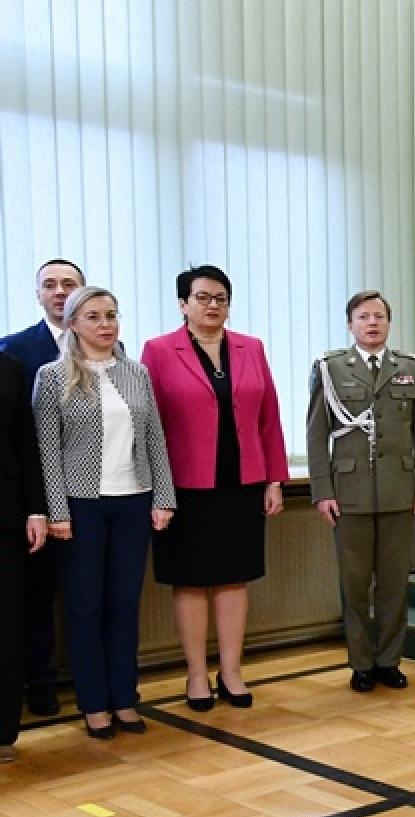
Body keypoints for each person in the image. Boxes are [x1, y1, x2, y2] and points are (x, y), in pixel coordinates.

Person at [142, 265, 290, 711]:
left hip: (241, 482)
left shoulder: (251, 347)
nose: (212, 305)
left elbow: (269, 417)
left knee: (233, 580)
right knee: (189, 583)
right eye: (202, 297)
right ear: (182, 303)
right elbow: (150, 425)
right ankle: (195, 676)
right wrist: (157, 489)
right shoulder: (158, 350)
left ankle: (231, 671)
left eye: (220, 297)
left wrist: (275, 479)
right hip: (183, 486)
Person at [34, 287, 176, 739]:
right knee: (84, 607)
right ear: (73, 323)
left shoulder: (137, 374)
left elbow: (155, 437)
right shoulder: (52, 376)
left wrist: (164, 497)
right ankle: (94, 704)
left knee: (124, 605)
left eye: (111, 315)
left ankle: (124, 699)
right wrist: (57, 510)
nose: (105, 324)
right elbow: (48, 451)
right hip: (80, 506)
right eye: (93, 316)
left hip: (134, 500)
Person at [308, 291, 415, 691]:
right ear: (350, 324)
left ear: (389, 323)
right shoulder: (330, 369)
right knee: (355, 582)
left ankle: (389, 660)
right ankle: (361, 662)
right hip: (349, 493)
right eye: (363, 317)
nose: (372, 323)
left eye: (379, 316)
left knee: (395, 583)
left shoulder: (410, 369)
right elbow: (316, 435)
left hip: (400, 491)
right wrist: (321, 491)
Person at [0, 259, 85, 717]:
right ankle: (39, 682)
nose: (59, 292)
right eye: (49, 285)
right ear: (37, 295)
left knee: (81, 591)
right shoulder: (13, 349)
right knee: (32, 595)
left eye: (68, 284)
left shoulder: (105, 346)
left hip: (90, 489)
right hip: (33, 495)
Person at [0, 355, 49, 761]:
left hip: (6, 517)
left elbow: (24, 441)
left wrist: (36, 508)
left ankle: (2, 731)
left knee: (7, 624)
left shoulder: (9, 367)